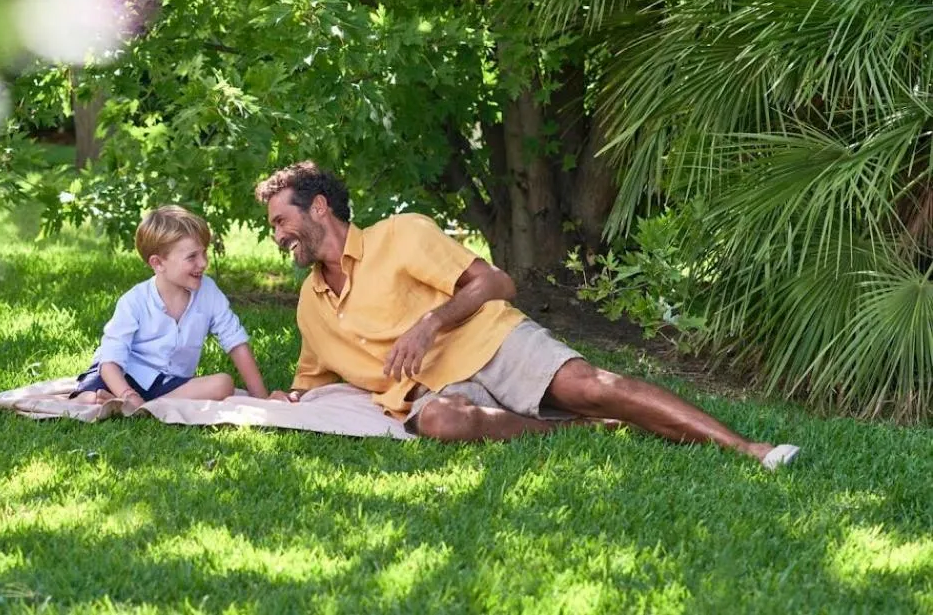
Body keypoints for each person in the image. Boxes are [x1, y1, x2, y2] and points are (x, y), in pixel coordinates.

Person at [254, 161, 801, 470]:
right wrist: (287, 399)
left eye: (282, 221)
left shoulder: (401, 234)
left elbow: (497, 283)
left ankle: (749, 449)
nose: (278, 236)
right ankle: (572, 430)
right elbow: (313, 382)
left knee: (590, 384)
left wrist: (430, 323)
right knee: (442, 422)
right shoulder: (310, 303)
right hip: (432, 395)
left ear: (319, 207)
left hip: (490, 344)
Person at [71, 204, 269, 406]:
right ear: (158, 263)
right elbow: (110, 360)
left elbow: (235, 341)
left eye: (204, 253)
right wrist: (127, 393)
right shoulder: (134, 301)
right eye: (192, 257)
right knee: (86, 398)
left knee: (223, 384)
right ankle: (127, 402)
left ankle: (141, 407)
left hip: (169, 383)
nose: (202, 263)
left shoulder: (208, 292)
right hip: (123, 375)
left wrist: (263, 399)